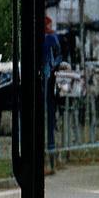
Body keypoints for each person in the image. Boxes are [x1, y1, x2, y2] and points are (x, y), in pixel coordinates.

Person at [43, 16, 62, 169]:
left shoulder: (51, 38)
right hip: (46, 82)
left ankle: (50, 153)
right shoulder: (50, 38)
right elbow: (58, 55)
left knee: (49, 117)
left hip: (48, 82)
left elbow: (58, 56)